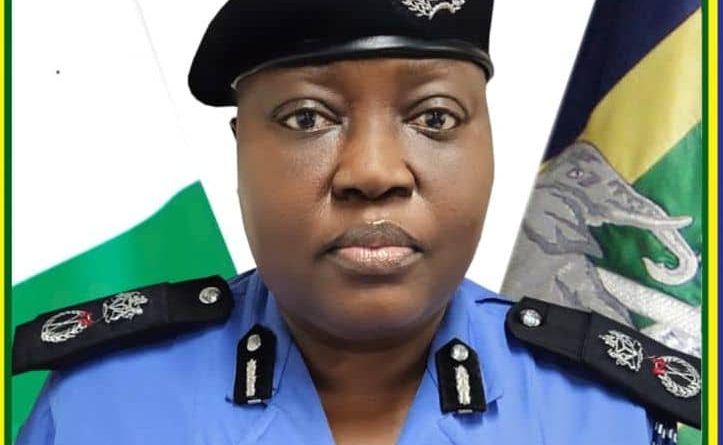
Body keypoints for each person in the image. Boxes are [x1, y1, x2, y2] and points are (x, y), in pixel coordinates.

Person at [13, 0, 700, 444]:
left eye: (435, 117)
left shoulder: (609, 417)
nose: (374, 171)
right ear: (241, 150)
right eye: (307, 118)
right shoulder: (98, 410)